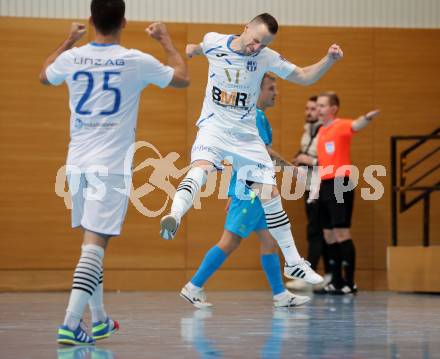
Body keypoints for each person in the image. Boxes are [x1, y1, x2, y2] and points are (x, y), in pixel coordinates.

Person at [39, 0, 189, 345]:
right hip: (109, 166)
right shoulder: (134, 60)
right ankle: (70, 324)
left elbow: (44, 75)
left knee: (92, 241)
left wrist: (68, 41)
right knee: (96, 244)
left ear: (91, 21)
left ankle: (101, 318)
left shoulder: (72, 58)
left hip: (75, 164)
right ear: (124, 22)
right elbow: (181, 77)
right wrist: (165, 40)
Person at [160, 13, 343, 287]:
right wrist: (193, 50)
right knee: (200, 168)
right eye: (256, 40)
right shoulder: (214, 41)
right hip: (214, 128)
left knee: (270, 196)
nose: (256, 48)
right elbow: (200, 46)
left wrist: (329, 60)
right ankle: (174, 214)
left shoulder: (266, 57)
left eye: (263, 44)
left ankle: (293, 263)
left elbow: (304, 76)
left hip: (246, 137)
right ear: (245, 28)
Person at [180, 74, 310, 308]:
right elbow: (264, 153)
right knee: (229, 241)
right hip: (250, 192)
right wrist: (291, 170)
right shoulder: (254, 116)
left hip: (253, 191)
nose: (275, 93)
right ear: (255, 90)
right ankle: (193, 286)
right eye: (271, 88)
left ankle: (280, 295)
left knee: (269, 240)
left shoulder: (256, 116)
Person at [314, 92, 379, 294]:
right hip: (325, 184)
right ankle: (336, 280)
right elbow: (321, 163)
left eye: (322, 105)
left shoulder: (340, 125)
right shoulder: (320, 131)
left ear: (333, 109)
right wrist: (316, 190)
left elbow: (356, 125)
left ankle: (350, 282)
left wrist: (367, 118)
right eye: (317, 105)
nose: (318, 109)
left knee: (341, 233)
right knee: (328, 234)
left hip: (340, 183)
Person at [287, 96, 331, 290]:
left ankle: (312, 275)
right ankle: (326, 276)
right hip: (309, 186)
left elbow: (330, 161)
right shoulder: (307, 132)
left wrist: (308, 159)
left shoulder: (325, 132)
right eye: (307, 109)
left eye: (313, 109)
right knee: (317, 231)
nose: (309, 112)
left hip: (322, 187)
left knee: (318, 232)